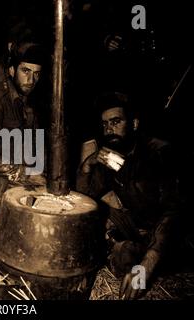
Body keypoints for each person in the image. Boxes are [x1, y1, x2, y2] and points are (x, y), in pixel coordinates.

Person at [76, 92, 182, 299]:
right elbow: (84, 200)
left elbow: (174, 214)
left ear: (134, 124)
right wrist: (87, 165)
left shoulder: (159, 153)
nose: (109, 129)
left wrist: (147, 264)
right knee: (91, 219)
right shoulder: (113, 155)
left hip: (165, 239)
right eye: (105, 124)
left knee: (126, 257)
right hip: (134, 227)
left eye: (116, 122)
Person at [0, 44, 47, 220]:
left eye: (36, 73)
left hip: (21, 177)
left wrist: (39, 170)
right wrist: (27, 173)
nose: (31, 79)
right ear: (12, 71)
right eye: (26, 71)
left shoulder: (28, 101)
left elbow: (36, 142)